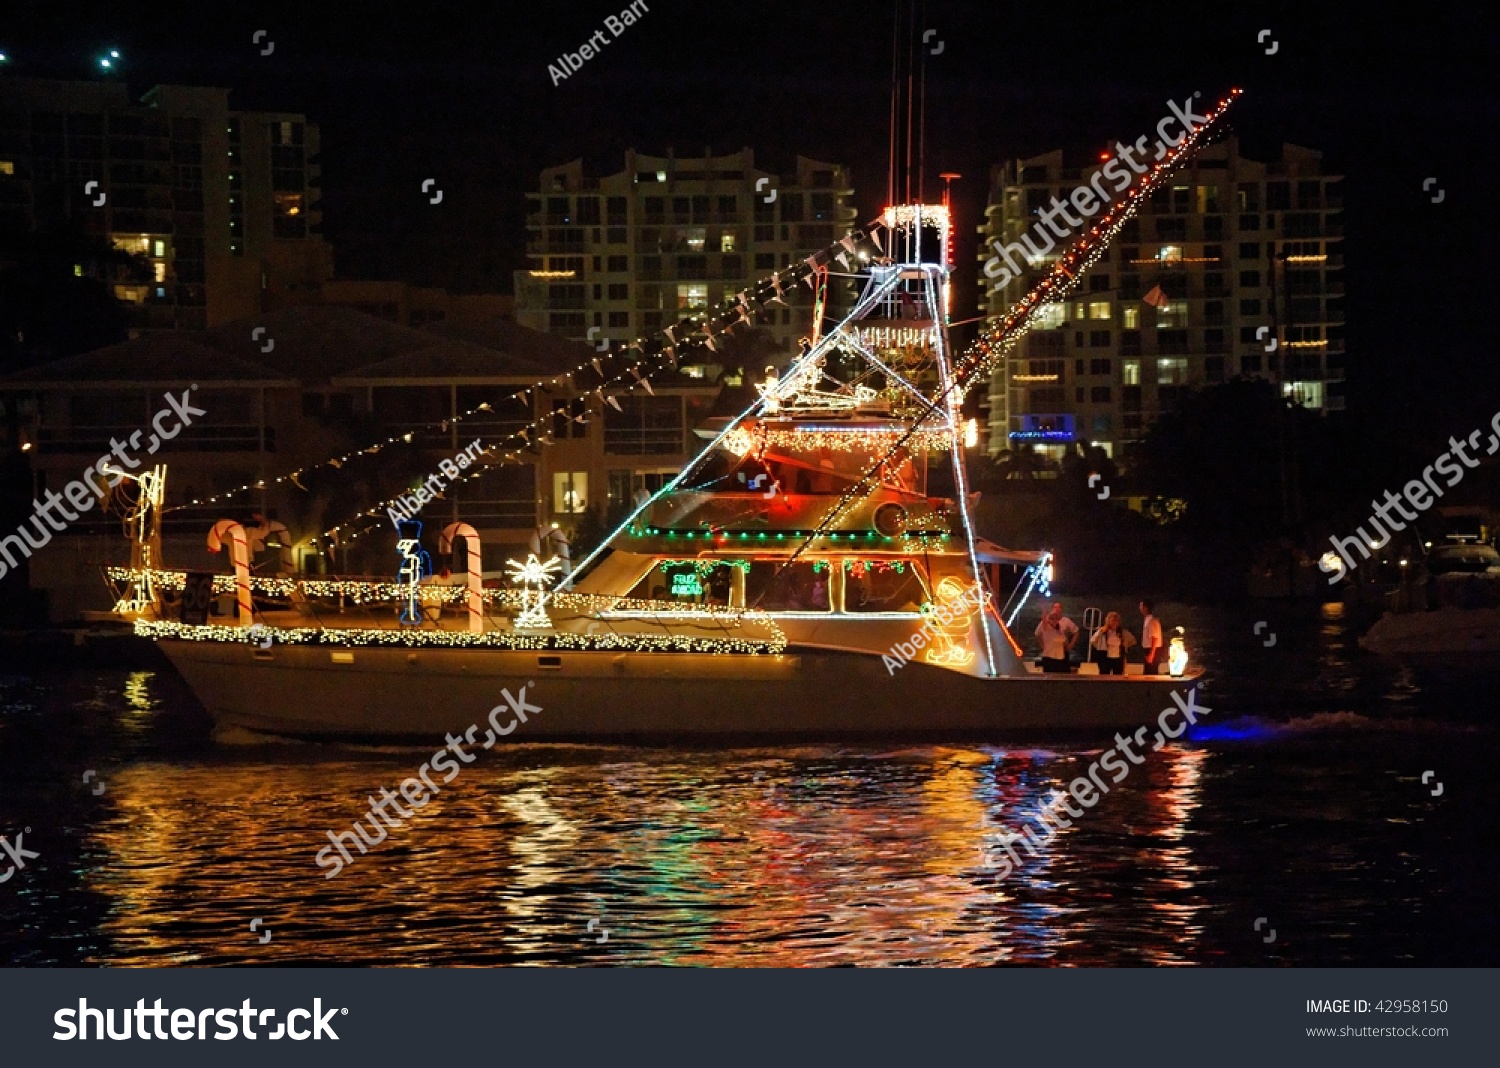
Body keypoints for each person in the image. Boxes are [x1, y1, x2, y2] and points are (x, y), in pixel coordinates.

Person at [1034, 602, 1078, 673]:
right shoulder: (1045, 627)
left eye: (1055, 619)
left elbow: (1066, 640)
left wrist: (1070, 645)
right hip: (1048, 655)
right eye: (1052, 618)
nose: (1054, 620)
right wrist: (1044, 610)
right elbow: (1038, 633)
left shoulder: (1062, 626)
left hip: (1060, 656)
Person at [1139, 599, 1164, 674]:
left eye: (1141, 606)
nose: (1140, 608)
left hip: (1153, 649)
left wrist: (1151, 654)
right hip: (1147, 648)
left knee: (1151, 672)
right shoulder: (1147, 619)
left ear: (1145, 608)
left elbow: (1155, 638)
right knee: (1147, 671)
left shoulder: (1152, 621)